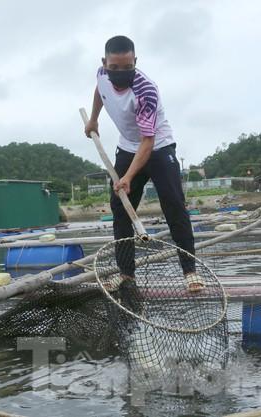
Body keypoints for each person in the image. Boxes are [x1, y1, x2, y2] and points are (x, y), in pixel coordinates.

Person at [84, 35, 203, 293]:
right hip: (127, 146)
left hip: (158, 147)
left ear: (135, 61)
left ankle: (190, 271)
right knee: (121, 208)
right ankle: (127, 274)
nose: (120, 73)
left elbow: (147, 142)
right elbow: (99, 91)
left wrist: (127, 176)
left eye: (127, 67)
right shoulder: (102, 75)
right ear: (104, 63)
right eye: (114, 67)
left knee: (173, 205)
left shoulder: (145, 90)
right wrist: (94, 120)